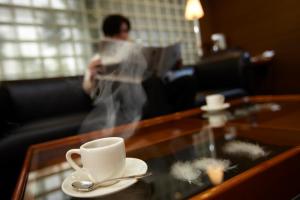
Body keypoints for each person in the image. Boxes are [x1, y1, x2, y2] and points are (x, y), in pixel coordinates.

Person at [83, 14, 131, 95]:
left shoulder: (132, 55)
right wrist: (92, 76)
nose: (124, 36)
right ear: (108, 35)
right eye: (119, 32)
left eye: (126, 31)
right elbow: (88, 89)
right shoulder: (98, 59)